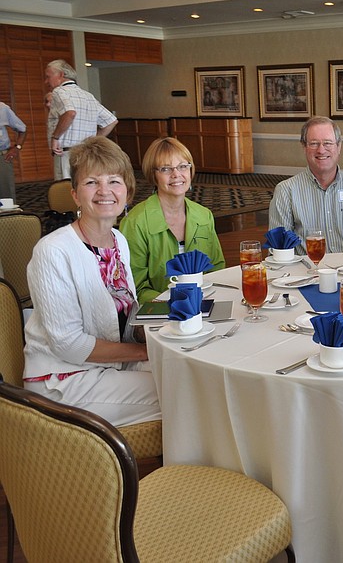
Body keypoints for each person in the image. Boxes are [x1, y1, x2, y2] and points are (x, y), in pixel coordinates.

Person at [23, 136, 160, 428]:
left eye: (114, 181)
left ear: (127, 192)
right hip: (64, 379)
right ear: (75, 195)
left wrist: (165, 328)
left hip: (112, 364)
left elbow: (125, 315)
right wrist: (146, 351)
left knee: (191, 374)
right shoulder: (53, 250)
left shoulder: (118, 241)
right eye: (91, 182)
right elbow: (69, 345)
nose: (104, 191)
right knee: (182, 392)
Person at [120, 137, 225, 304]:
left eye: (183, 166)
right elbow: (135, 287)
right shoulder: (135, 222)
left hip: (205, 305)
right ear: (153, 175)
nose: (176, 174)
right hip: (159, 311)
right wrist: (175, 305)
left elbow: (217, 270)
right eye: (166, 169)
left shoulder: (204, 215)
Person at [269, 116, 343, 253]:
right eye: (314, 143)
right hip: (305, 267)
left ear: (339, 146)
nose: (321, 150)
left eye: (327, 143)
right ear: (304, 147)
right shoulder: (286, 191)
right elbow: (279, 250)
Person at [44, 59, 118, 180]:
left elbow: (70, 113)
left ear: (61, 74)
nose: (46, 81)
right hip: (86, 154)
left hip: (66, 154)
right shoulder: (87, 95)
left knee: (65, 188)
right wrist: (92, 141)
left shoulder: (59, 91)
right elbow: (111, 121)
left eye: (48, 77)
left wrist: (55, 137)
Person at [0, 99, 27, 200]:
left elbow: (22, 129)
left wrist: (17, 147)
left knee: (6, 198)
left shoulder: (2, 108)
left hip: (2, 157)